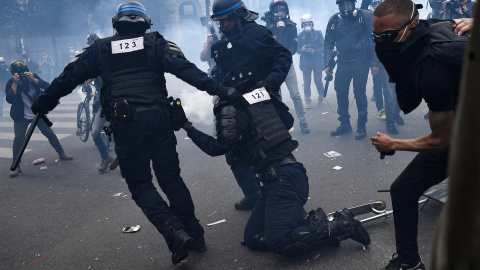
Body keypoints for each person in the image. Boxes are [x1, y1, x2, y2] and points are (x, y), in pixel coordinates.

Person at [30, 1, 237, 265]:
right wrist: (223, 91)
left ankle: (172, 230)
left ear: (117, 24)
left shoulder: (100, 49)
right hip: (159, 119)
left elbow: (67, 78)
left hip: (127, 125)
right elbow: (190, 73)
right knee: (172, 181)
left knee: (140, 184)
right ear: (145, 23)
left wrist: (43, 103)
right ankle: (196, 236)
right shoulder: (156, 43)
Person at [170, 0, 371, 256]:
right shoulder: (235, 84)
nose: (224, 26)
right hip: (275, 180)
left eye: (228, 20)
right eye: (220, 22)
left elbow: (215, 148)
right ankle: (314, 231)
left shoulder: (238, 99)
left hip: (285, 179)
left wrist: (268, 85)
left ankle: (339, 225)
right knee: (253, 238)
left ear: (240, 16)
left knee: (279, 242)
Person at [370, 0, 469, 269]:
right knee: (403, 189)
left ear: (411, 26)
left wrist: (394, 143)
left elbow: (441, 141)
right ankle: (408, 263)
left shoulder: (432, 70)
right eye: (375, 35)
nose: (381, 42)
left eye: (388, 36)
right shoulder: (437, 25)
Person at [200, 23, 261, 211]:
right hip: (228, 98)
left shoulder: (247, 40)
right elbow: (204, 60)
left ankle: (272, 192)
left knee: (261, 143)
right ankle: (253, 194)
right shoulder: (216, 48)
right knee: (232, 150)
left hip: (249, 98)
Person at [5, 60, 73, 178]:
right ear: (13, 74)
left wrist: (34, 79)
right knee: (18, 140)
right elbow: (9, 99)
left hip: (37, 113)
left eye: (24, 71)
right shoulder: (11, 82)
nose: (22, 74)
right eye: (19, 73)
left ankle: (61, 153)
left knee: (49, 133)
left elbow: (48, 87)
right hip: (21, 116)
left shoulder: (33, 77)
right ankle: (16, 166)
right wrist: (15, 83)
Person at [324, 0, 375, 140]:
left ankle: (361, 126)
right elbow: (328, 43)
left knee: (359, 93)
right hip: (343, 61)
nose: (345, 8)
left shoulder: (365, 16)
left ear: (353, 4)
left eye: (347, 4)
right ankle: (345, 124)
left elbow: (373, 39)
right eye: (342, 5)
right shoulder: (334, 19)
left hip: (361, 60)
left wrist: (374, 63)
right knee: (340, 91)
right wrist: (327, 64)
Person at [265, 0, 311, 134]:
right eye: (277, 10)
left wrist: (280, 53)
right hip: (272, 66)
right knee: (275, 96)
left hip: (286, 65)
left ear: (286, 12)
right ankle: (280, 126)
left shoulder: (291, 26)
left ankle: (303, 122)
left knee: (295, 94)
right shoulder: (268, 26)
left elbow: (293, 49)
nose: (280, 13)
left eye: (282, 10)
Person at [369, 0, 405, 134]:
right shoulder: (376, 22)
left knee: (402, 92)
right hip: (385, 64)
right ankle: (390, 123)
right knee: (389, 95)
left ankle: (396, 113)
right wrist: (375, 64)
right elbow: (374, 46)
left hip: (400, 62)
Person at [85, 33, 114, 172]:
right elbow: (87, 79)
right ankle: (105, 157)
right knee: (95, 132)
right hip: (103, 103)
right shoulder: (94, 65)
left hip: (119, 102)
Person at [297, 14, 325, 109]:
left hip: (316, 61)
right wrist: (302, 49)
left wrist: (315, 51)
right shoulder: (300, 36)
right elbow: (297, 50)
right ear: (302, 25)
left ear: (312, 24)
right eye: (305, 24)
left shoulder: (318, 34)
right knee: (306, 83)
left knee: (318, 81)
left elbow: (323, 47)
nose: (307, 26)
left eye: (309, 23)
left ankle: (321, 95)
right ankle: (307, 100)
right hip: (306, 62)